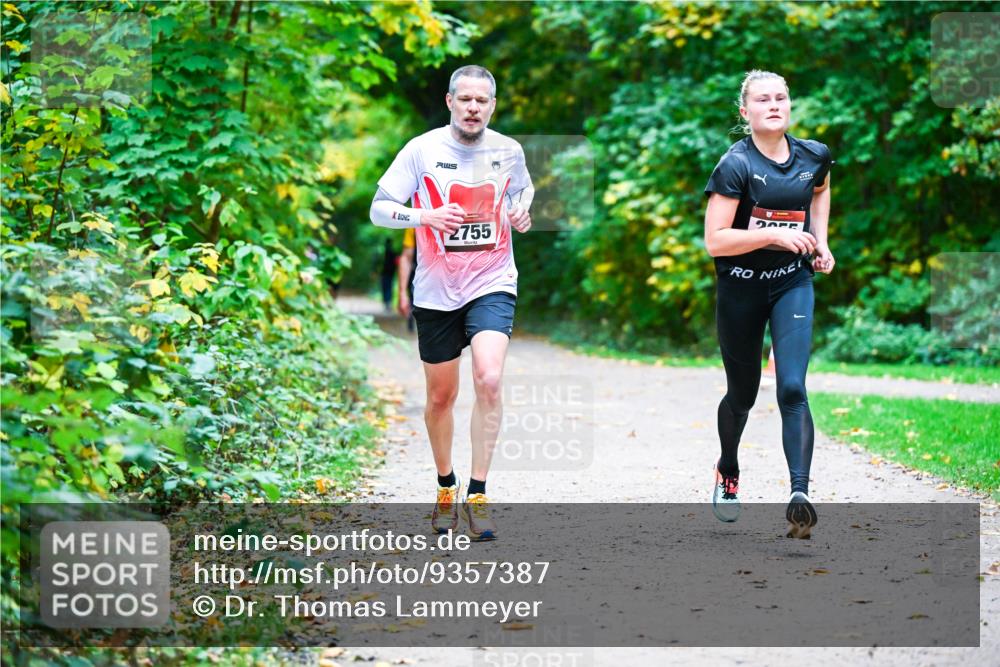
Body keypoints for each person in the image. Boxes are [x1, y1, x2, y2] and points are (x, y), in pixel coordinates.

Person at [370, 65, 534, 540]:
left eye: (482, 101)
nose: (473, 108)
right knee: (441, 397)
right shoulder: (421, 150)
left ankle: (478, 494)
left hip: (492, 279)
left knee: (489, 377)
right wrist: (425, 215)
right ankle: (446, 485)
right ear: (449, 102)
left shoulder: (509, 150)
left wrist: (522, 208)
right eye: (464, 99)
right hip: (436, 291)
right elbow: (380, 208)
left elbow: (522, 189)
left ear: (492, 106)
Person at [703, 70, 834, 538]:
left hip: (790, 284)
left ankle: (799, 493)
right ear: (746, 112)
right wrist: (776, 234)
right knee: (742, 393)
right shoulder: (735, 165)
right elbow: (715, 241)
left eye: (781, 97)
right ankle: (728, 466)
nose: (774, 104)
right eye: (763, 99)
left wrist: (819, 241)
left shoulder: (813, 156)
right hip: (740, 288)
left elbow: (819, 188)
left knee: (792, 387)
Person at [398, 228, 416, 332]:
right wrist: (402, 293)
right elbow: (406, 257)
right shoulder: (416, 217)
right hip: (418, 273)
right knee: (412, 297)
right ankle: (410, 322)